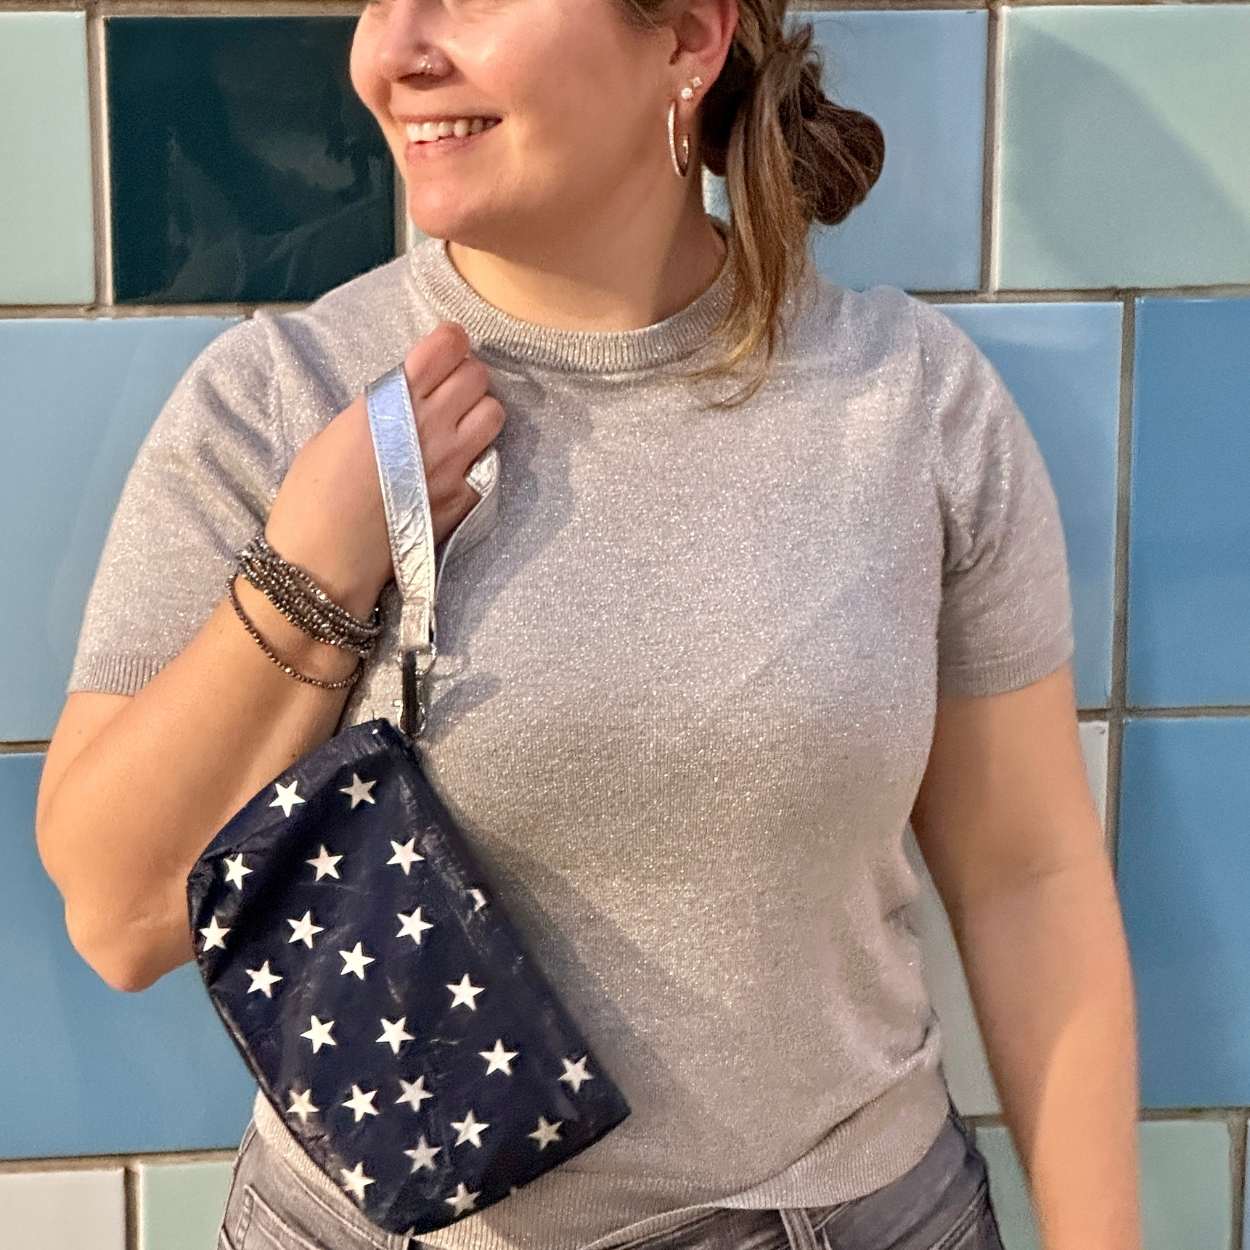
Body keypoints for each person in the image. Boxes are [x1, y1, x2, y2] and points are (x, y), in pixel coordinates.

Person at [34, 0, 1113, 1248]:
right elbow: (118, 916)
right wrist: (312, 570)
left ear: (689, 38)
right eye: (383, 0)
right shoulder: (284, 398)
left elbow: (1028, 877)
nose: (394, 52)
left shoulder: (909, 403)